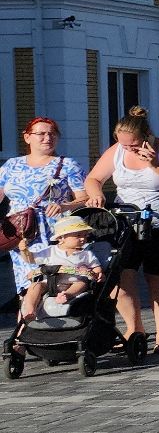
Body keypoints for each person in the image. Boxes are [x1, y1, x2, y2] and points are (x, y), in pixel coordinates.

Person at [80, 108, 159, 355]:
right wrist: (97, 193)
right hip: (126, 222)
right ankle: (135, 331)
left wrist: (155, 165)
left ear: (147, 136)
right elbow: (93, 179)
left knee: (158, 276)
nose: (128, 149)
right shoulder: (118, 151)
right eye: (123, 145)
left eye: (133, 145)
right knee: (121, 275)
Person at [1, 117, 88, 316]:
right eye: (41, 134)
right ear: (27, 137)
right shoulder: (11, 166)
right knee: (25, 285)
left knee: (45, 282)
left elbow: (84, 197)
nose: (47, 138)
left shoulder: (67, 165)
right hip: (21, 234)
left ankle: (37, 332)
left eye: (52, 134)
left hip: (52, 233)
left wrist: (63, 205)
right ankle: (25, 334)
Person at [16, 215, 103, 322]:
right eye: (78, 235)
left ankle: (67, 295)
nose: (83, 239)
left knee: (82, 284)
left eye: (85, 235)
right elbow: (31, 259)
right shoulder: (51, 251)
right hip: (50, 283)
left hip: (73, 283)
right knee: (35, 286)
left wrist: (98, 273)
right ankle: (30, 309)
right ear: (61, 238)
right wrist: (24, 251)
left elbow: (96, 267)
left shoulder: (86, 254)